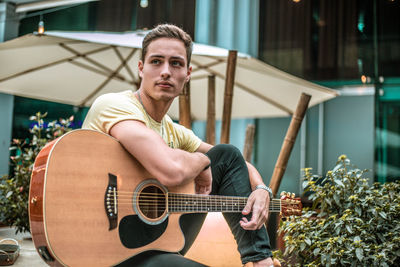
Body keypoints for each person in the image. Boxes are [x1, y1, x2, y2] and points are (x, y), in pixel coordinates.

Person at [82, 24, 274, 267]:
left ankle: (261, 261)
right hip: (100, 247)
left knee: (226, 154)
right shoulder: (114, 105)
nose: (165, 71)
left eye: (175, 63)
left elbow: (234, 163)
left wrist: (260, 189)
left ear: (188, 72)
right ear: (141, 68)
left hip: (153, 247)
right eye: (156, 61)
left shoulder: (173, 131)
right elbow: (170, 171)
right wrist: (203, 161)